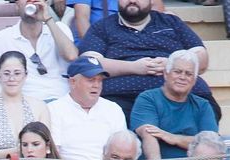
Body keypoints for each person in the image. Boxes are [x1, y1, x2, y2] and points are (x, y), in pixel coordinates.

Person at [80, 0, 214, 118]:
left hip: (181, 95)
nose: (132, 1)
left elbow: (202, 57)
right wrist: (134, 67)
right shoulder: (103, 27)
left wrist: (172, 64)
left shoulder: (171, 22)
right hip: (123, 98)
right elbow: (89, 63)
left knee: (206, 112)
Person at [130, 49, 217, 160]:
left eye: (188, 74)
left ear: (194, 80)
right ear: (166, 74)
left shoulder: (203, 105)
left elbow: (210, 144)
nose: (182, 77)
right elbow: (149, 134)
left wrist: (173, 138)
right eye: (177, 72)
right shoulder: (148, 98)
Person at [0, 0, 78, 102]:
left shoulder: (59, 28)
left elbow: (71, 56)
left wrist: (48, 19)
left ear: (45, 4)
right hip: (21, 101)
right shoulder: (4, 36)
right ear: (17, 6)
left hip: (59, 98)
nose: (31, 1)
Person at [47, 56, 127, 160]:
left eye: (100, 80)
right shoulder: (54, 109)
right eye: (91, 80)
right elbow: (54, 155)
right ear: (72, 82)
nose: (96, 85)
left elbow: (121, 152)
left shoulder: (113, 109)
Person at [0, 51, 52, 160]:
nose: (12, 78)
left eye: (17, 73)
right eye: (6, 73)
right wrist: (18, 152)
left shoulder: (40, 107)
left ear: (25, 75)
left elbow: (46, 146)